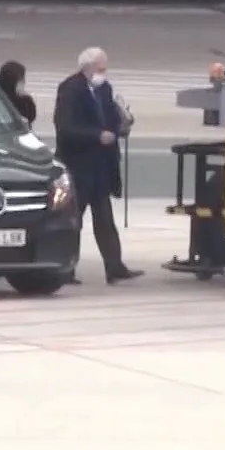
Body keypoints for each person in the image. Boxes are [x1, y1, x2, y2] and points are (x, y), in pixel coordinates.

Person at [53, 46, 143, 284]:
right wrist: (97, 135)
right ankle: (66, 268)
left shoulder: (104, 89)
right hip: (78, 165)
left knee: (104, 220)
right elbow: (65, 128)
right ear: (88, 68)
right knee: (74, 220)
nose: (104, 73)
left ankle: (115, 267)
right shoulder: (70, 89)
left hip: (100, 166)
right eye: (101, 69)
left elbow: (111, 120)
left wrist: (120, 127)